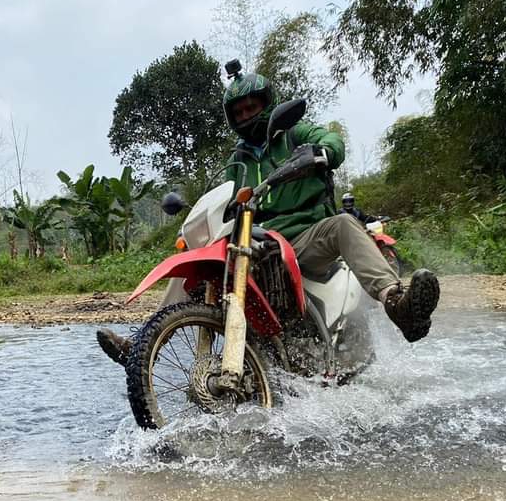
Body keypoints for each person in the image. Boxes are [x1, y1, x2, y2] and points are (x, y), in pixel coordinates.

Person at [96, 67, 439, 365]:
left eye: (252, 107)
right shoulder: (238, 160)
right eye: (239, 111)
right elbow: (230, 195)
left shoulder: (295, 133)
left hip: (307, 236)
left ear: (267, 104)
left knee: (345, 224)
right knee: (192, 255)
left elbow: (332, 141)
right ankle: (146, 345)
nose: (246, 115)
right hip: (260, 242)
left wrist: (320, 152)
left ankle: (398, 304)